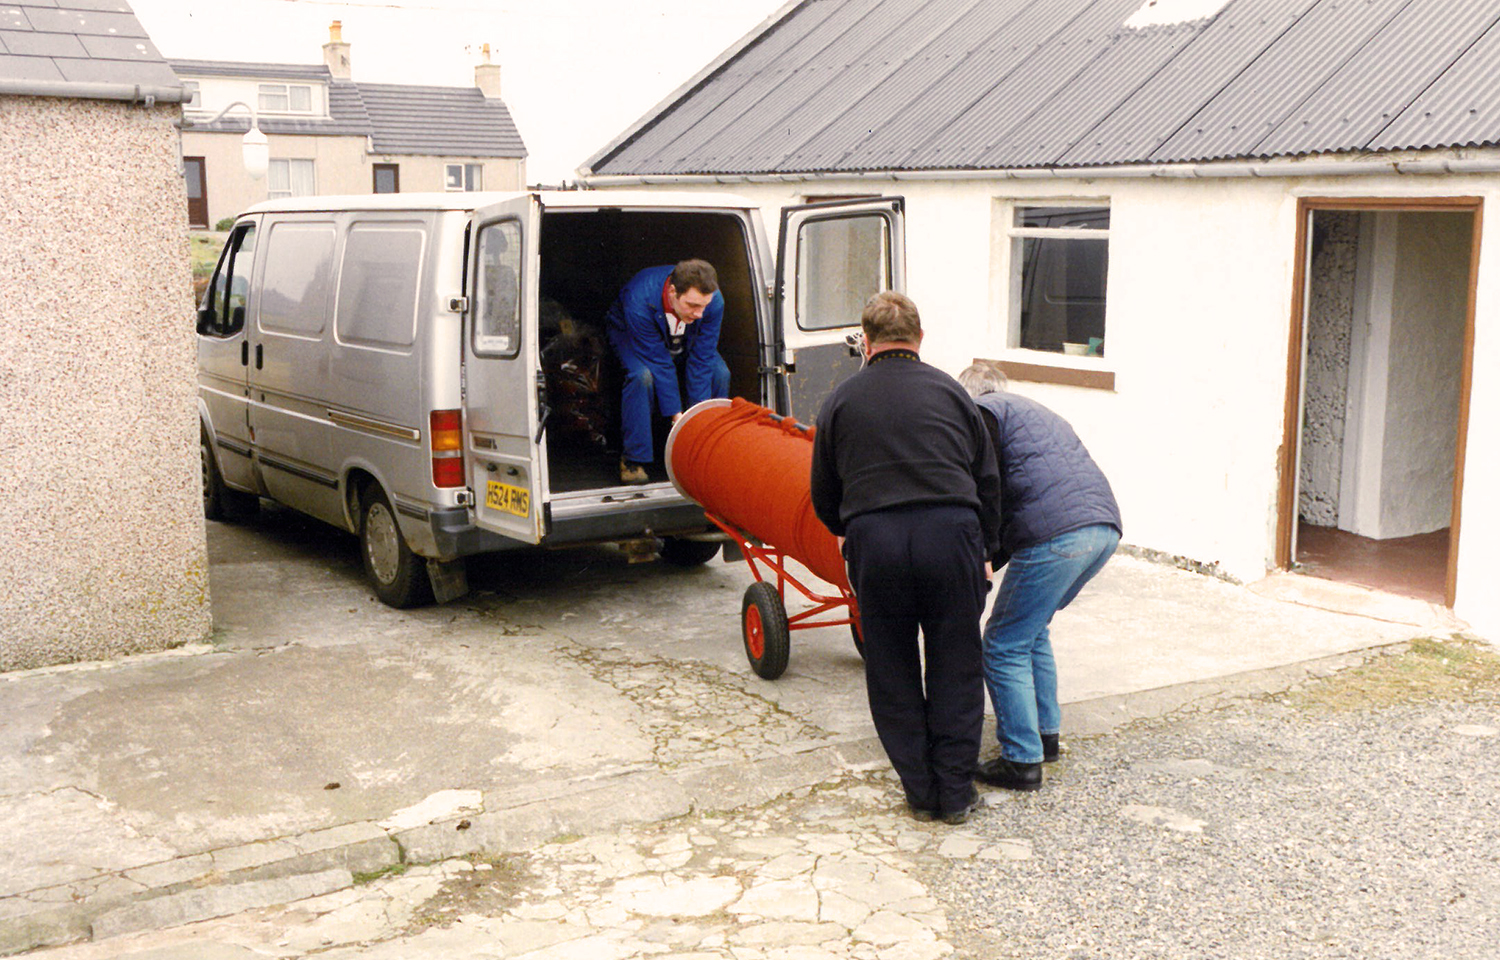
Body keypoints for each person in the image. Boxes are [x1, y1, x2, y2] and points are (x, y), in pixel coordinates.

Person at [811, 292, 1001, 825]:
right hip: (952, 534)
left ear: (866, 343)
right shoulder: (953, 393)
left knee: (892, 666)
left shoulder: (841, 400)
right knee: (956, 664)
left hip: (879, 541)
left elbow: (823, 492)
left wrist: (849, 532)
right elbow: (988, 481)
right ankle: (956, 793)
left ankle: (920, 791)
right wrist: (987, 549)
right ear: (920, 339)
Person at [956, 362, 1122, 792]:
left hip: (1059, 534)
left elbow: (988, 491)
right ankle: (1045, 737)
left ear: (969, 397)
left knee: (1002, 643)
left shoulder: (984, 413)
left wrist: (981, 552)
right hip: (1102, 528)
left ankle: (1020, 760)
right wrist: (993, 558)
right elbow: (1028, 495)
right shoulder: (1031, 411)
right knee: (1032, 631)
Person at [604, 260, 731, 483]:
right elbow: (659, 363)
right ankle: (635, 459)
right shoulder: (639, 297)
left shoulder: (712, 302)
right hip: (632, 333)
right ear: (673, 292)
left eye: (704, 306)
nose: (700, 313)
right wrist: (678, 418)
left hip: (682, 334)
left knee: (719, 373)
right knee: (642, 376)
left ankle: (707, 449)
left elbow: (702, 358)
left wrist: (696, 419)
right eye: (692, 305)